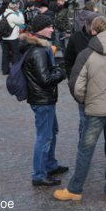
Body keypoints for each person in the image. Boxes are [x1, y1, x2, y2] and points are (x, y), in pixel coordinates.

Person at [54, 16, 106, 204]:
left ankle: (75, 189)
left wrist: (85, 101)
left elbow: (76, 86)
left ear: (93, 31)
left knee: (86, 149)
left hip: (94, 110)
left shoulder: (87, 54)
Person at [20, 14, 68, 187]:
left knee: (52, 132)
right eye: (49, 26)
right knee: (44, 137)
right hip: (42, 100)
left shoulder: (41, 48)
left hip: (45, 98)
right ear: (41, 29)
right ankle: (39, 174)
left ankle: (50, 164)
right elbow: (46, 79)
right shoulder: (39, 51)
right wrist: (60, 73)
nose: (52, 29)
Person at [1, 0, 26, 75]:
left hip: (4, 38)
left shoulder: (2, 15)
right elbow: (22, 22)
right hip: (13, 38)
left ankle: (5, 70)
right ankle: (16, 70)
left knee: (5, 54)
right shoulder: (12, 16)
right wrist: (19, 12)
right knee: (15, 54)